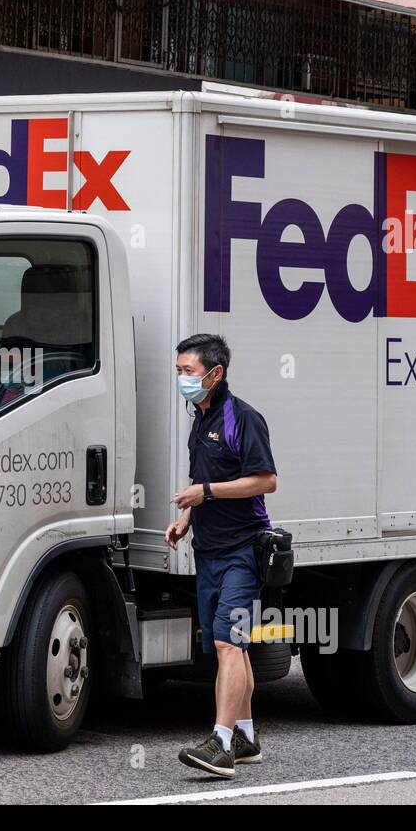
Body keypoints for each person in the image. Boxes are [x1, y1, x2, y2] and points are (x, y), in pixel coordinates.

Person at [165, 333, 277, 778]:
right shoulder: (200, 417)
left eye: (188, 372)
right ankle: (247, 736)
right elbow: (203, 478)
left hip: (243, 552)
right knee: (230, 646)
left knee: (229, 644)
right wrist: (187, 518)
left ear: (215, 374)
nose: (182, 380)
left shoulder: (243, 419)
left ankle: (222, 743)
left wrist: (205, 493)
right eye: (178, 372)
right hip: (208, 551)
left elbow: (265, 480)